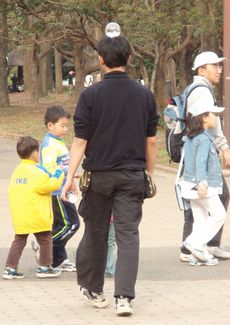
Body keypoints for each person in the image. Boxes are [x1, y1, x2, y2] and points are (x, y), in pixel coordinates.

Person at [61, 35, 159, 316]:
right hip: (131, 176)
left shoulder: (90, 96)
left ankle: (92, 288)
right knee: (128, 235)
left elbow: (80, 141)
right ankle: (124, 298)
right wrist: (148, 173)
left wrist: (70, 176)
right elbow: (150, 141)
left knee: (96, 230)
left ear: (101, 60)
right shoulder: (144, 95)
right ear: (129, 59)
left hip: (98, 175)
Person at [180, 51, 230, 263]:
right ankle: (194, 246)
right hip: (203, 153)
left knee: (201, 202)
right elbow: (213, 126)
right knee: (214, 198)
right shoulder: (202, 92)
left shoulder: (197, 88)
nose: (219, 69)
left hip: (196, 151)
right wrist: (225, 148)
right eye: (215, 65)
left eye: (220, 66)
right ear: (202, 70)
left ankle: (201, 245)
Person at [2, 136, 64, 280]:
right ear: (35, 154)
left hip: (21, 215)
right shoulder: (36, 172)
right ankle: (44, 267)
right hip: (37, 214)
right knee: (45, 240)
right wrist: (59, 173)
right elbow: (50, 185)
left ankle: (10, 268)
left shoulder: (17, 171)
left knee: (19, 241)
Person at [180, 105, 227, 266]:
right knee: (219, 214)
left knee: (200, 219)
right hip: (202, 186)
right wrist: (202, 183)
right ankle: (193, 242)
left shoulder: (190, 137)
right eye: (214, 114)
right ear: (204, 118)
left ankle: (198, 254)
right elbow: (201, 162)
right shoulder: (204, 138)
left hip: (189, 185)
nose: (216, 117)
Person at [38, 106, 80, 272]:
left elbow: (67, 165)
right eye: (62, 125)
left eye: (67, 126)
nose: (65, 129)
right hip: (56, 192)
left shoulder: (58, 142)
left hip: (65, 189)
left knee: (63, 225)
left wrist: (71, 181)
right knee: (70, 225)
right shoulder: (49, 144)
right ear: (50, 125)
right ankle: (44, 247)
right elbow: (49, 168)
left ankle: (58, 259)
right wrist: (66, 172)